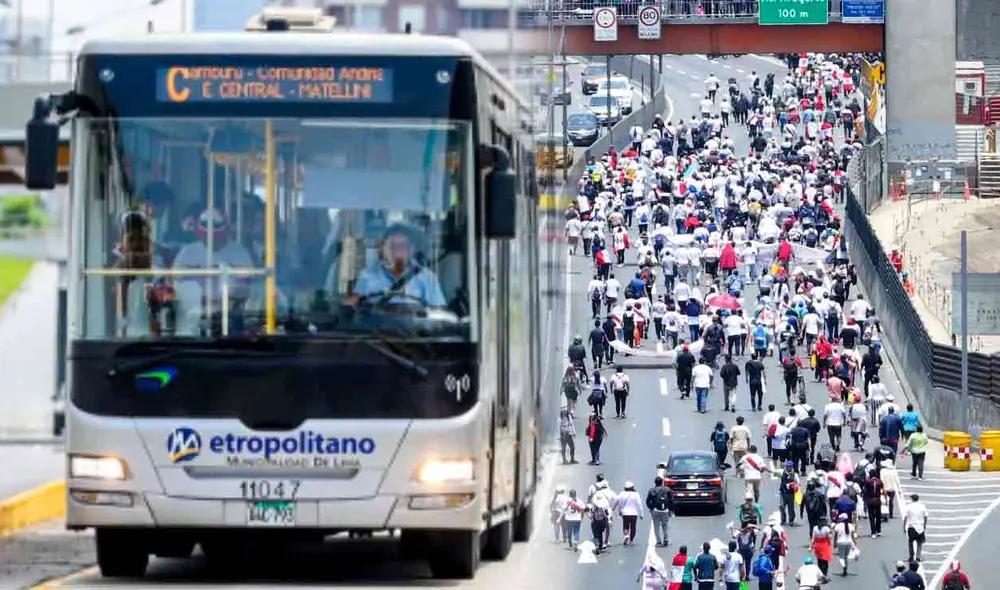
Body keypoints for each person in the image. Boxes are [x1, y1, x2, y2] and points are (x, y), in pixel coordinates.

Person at [352, 223, 446, 308]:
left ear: (411, 249)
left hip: (415, 326)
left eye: (401, 246)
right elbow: (356, 312)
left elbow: (438, 312)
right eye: (392, 246)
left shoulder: (427, 278)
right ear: (384, 249)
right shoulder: (366, 276)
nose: (397, 252)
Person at [646, 476, 674, 547]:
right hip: (665, 511)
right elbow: (671, 501)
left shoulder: (652, 490)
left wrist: (651, 508)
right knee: (665, 525)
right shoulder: (667, 490)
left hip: (655, 510)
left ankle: (658, 541)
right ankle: (666, 538)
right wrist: (671, 510)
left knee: (656, 527)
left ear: (655, 482)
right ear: (662, 482)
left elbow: (647, 501)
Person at [903, 493, 929, 563]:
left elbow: (906, 517)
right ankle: (918, 556)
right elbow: (926, 516)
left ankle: (911, 556)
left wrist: (904, 527)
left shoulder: (909, 506)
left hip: (912, 527)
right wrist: (924, 525)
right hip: (920, 527)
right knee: (919, 543)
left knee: (910, 542)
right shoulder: (922, 506)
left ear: (912, 499)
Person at [618, 480, 644, 546]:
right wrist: (641, 513)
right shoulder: (636, 494)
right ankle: (631, 540)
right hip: (634, 513)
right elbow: (639, 504)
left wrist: (620, 511)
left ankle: (626, 535)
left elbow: (619, 504)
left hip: (625, 513)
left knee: (625, 526)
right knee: (633, 527)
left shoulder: (621, 493)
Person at [778, 460, 799, 526]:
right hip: (783, 493)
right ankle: (783, 520)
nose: (788, 468)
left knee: (791, 508)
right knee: (781, 506)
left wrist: (795, 486)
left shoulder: (795, 475)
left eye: (789, 466)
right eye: (787, 466)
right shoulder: (782, 473)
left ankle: (791, 520)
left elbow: (798, 483)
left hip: (790, 494)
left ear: (792, 467)